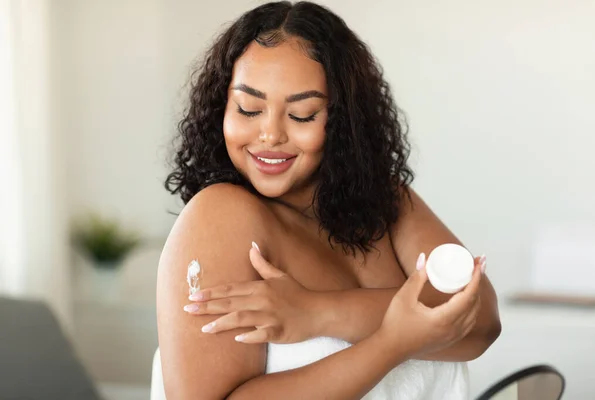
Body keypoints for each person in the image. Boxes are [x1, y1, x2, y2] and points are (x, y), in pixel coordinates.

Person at [157, 1, 501, 399]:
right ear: (222, 106)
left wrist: (315, 312)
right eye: (248, 108)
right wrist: (392, 341)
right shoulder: (221, 215)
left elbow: (482, 321)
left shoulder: (387, 202)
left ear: (342, 120)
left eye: (302, 115)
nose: (270, 134)